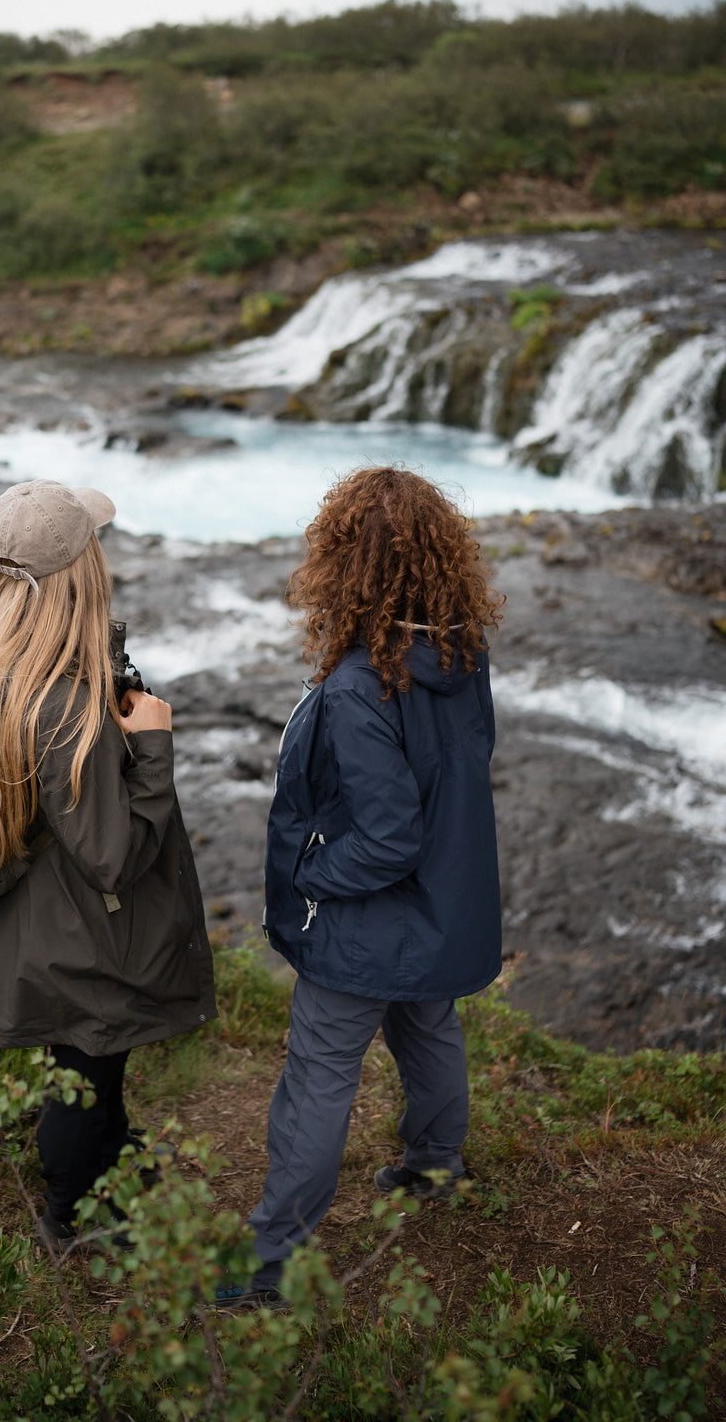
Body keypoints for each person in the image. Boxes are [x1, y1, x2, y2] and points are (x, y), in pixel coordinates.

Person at [0, 478, 217, 1247]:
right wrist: (151, 747)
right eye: (95, 544)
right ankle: (71, 1217)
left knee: (87, 1060)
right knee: (85, 1071)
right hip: (85, 932)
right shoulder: (58, 700)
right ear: (78, 570)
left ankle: (111, 1155)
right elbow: (115, 856)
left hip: (35, 914)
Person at [219, 466, 504, 1309]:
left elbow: (385, 838)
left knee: (318, 1075)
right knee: (428, 1028)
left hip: (367, 927)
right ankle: (435, 1166)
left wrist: (311, 872)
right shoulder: (461, 653)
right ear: (439, 562)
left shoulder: (355, 687)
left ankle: (272, 1259)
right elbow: (464, 764)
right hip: (442, 909)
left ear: (343, 567)